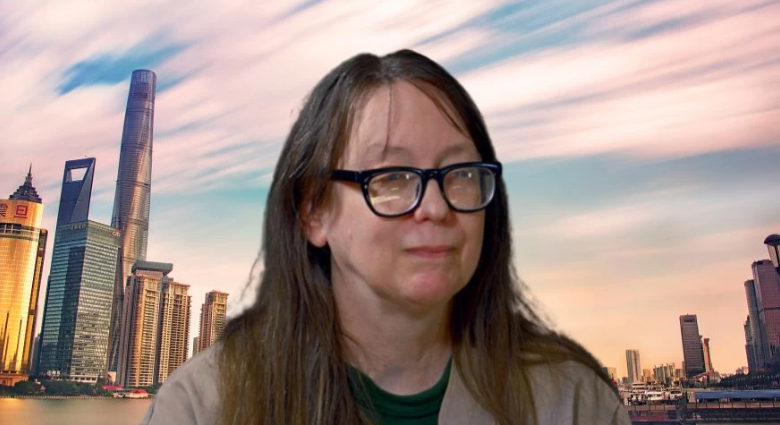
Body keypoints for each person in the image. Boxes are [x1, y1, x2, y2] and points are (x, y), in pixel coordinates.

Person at [141, 49, 631, 425]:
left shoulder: (575, 403)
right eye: (392, 177)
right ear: (313, 213)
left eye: (460, 173)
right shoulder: (205, 407)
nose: (436, 207)